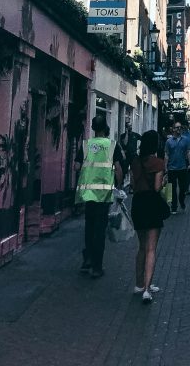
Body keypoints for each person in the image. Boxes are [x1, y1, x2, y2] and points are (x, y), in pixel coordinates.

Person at [75, 115, 124, 279]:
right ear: (106, 128)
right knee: (99, 229)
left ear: (94, 129)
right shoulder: (111, 146)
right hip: (104, 194)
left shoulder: (86, 145)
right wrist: (119, 186)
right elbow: (118, 169)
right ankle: (97, 266)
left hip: (88, 193)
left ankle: (87, 258)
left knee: (89, 227)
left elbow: (76, 166)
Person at [130, 129, 169, 303]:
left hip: (137, 203)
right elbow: (157, 188)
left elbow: (132, 184)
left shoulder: (135, 161)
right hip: (152, 204)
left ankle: (139, 284)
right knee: (152, 248)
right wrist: (164, 181)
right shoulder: (158, 163)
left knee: (141, 247)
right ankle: (147, 288)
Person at [165, 121, 190, 213]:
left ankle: (181, 200)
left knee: (183, 188)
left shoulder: (185, 140)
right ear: (173, 129)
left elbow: (188, 152)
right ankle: (174, 207)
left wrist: (189, 164)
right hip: (172, 168)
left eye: (180, 127)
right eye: (177, 127)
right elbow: (167, 154)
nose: (179, 129)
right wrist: (165, 167)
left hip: (182, 167)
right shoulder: (169, 141)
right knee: (172, 188)